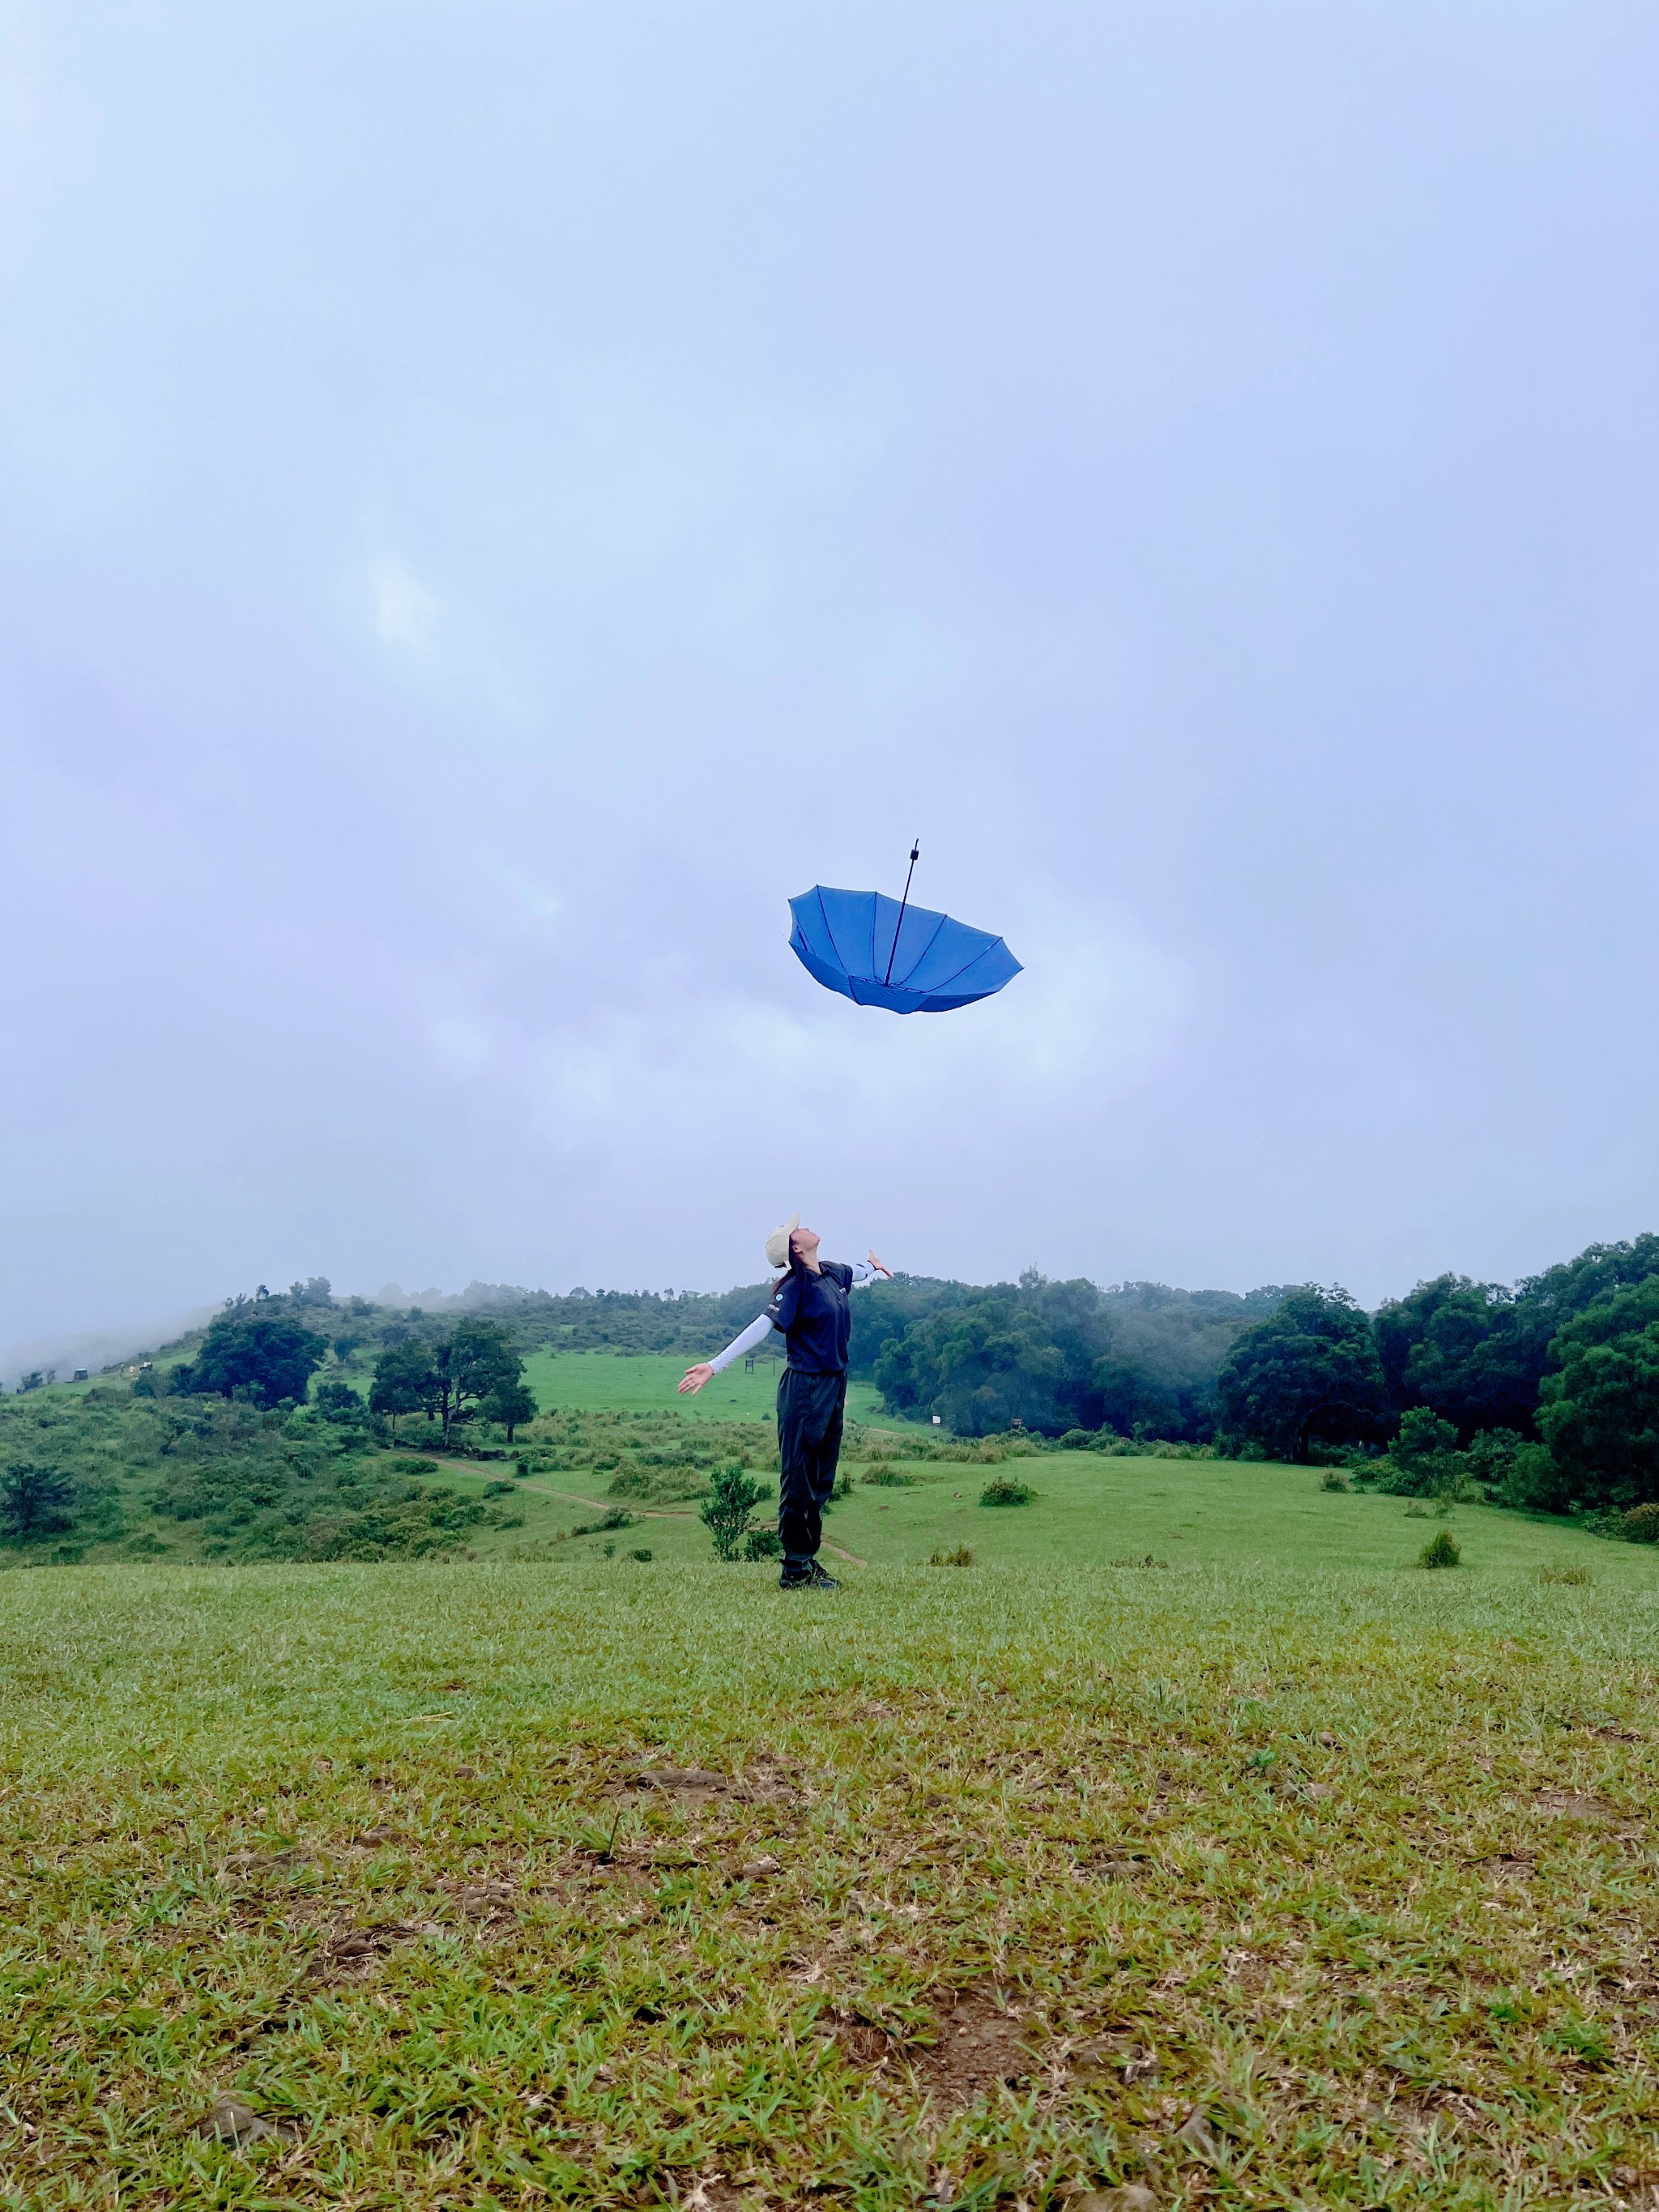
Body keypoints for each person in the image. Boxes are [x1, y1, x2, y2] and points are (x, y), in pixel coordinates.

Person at [680, 1215, 892, 1589]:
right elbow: (762, 1326)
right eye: (796, 1231)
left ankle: (807, 1561)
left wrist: (873, 1267)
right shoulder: (795, 1286)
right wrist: (716, 1365)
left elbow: (857, 1272)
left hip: (834, 1383)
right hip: (805, 1388)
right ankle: (794, 1572)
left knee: (822, 1479)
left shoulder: (831, 1273)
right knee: (799, 1478)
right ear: (796, 1248)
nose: (804, 1227)